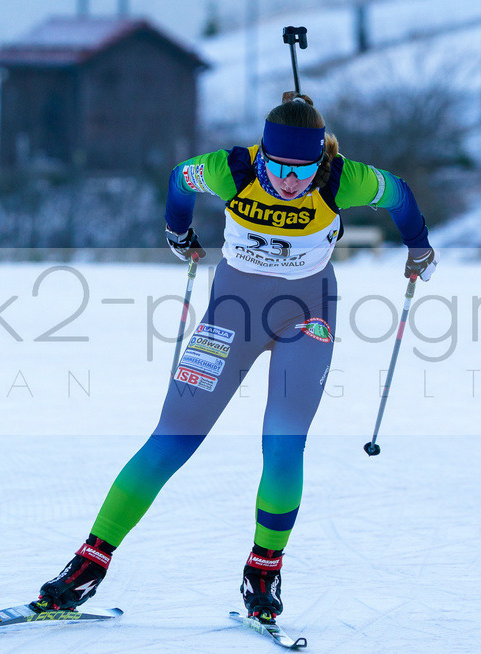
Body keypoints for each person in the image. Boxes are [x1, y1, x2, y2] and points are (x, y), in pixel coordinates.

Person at [32, 91, 438, 624]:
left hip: (306, 315)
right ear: (262, 154)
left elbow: (401, 195)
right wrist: (178, 232)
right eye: (280, 167)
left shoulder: (342, 177)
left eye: (304, 169)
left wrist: (419, 247)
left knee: (284, 440)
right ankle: (89, 563)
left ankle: (263, 571)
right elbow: (180, 179)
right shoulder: (230, 169)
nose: (292, 182)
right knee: (171, 438)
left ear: (322, 159)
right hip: (232, 317)